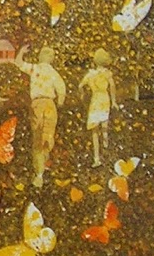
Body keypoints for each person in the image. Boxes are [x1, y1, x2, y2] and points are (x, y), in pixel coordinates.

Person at [12, 45, 66, 187]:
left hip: (37, 104)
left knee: (38, 137)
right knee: (47, 136)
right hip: (50, 104)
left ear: (40, 56)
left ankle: (39, 173)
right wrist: (60, 102)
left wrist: (21, 52)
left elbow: (18, 63)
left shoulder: (35, 69)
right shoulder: (53, 73)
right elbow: (62, 89)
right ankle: (43, 165)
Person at [78, 48, 117, 167]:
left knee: (94, 129)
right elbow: (112, 86)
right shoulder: (106, 73)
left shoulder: (90, 74)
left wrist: (82, 94)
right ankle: (106, 148)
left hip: (95, 100)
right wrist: (114, 101)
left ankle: (97, 158)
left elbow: (80, 85)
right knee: (104, 126)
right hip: (104, 99)